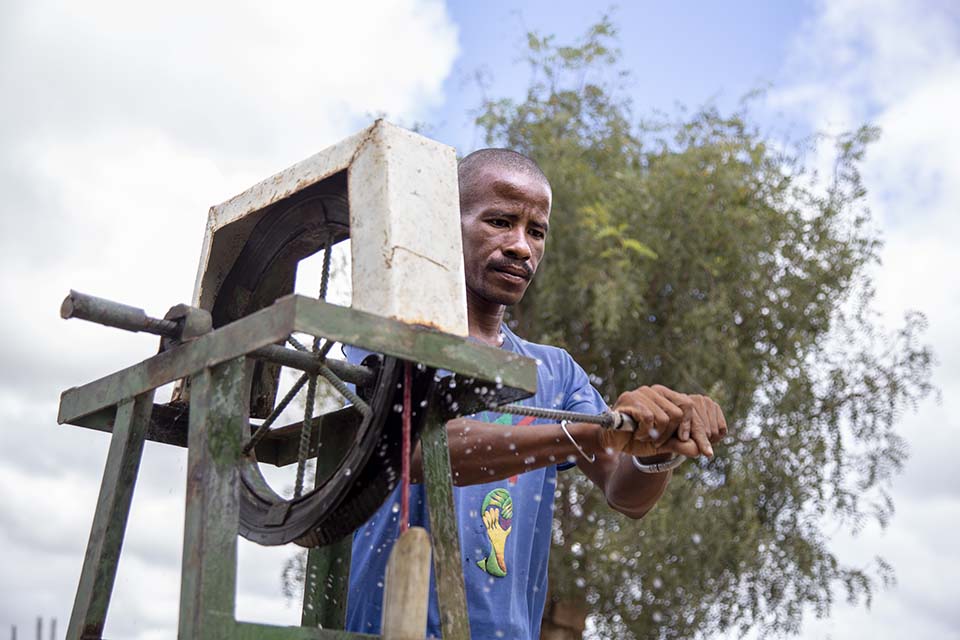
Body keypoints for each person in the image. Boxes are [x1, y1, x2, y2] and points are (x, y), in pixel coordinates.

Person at [345, 149, 727, 639]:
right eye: (500, 222)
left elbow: (625, 493)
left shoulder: (556, 371)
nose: (521, 246)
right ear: (444, 224)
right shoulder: (381, 338)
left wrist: (655, 450)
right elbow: (416, 452)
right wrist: (583, 436)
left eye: (536, 231)